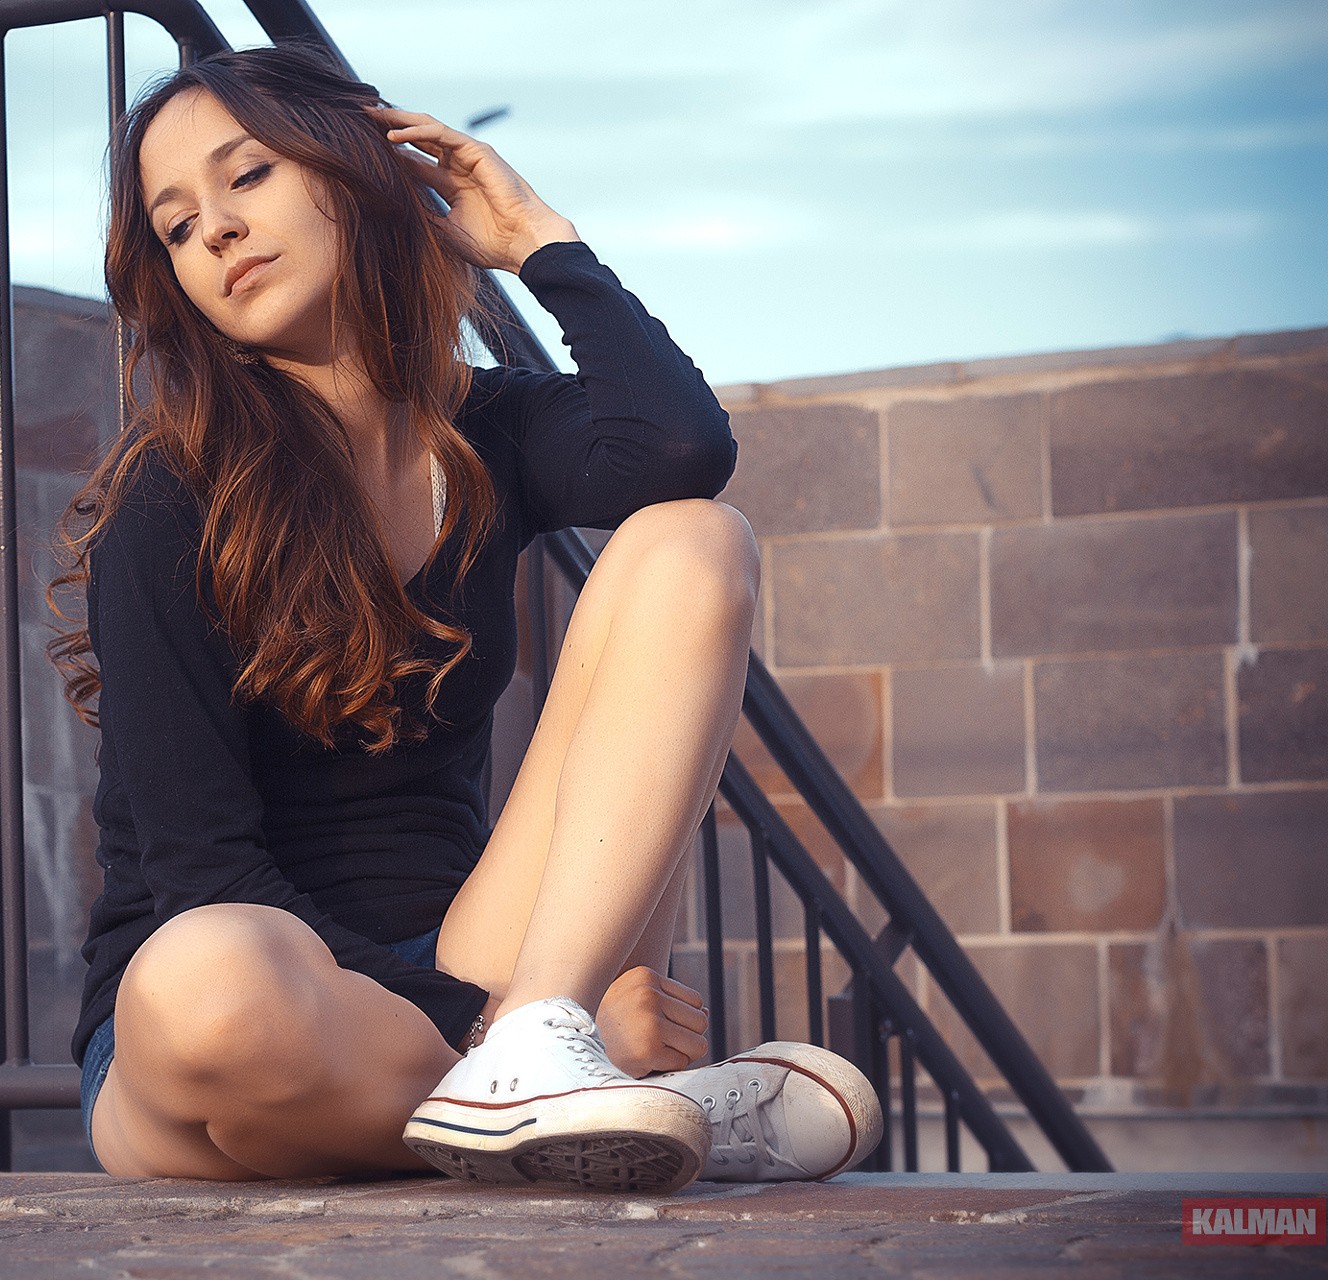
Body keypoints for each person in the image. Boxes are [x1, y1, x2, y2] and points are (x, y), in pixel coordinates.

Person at [44, 40, 879, 1193]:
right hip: (259, 1015)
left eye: (246, 177)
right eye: (177, 226)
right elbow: (200, 874)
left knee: (690, 539)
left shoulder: (489, 430)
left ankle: (546, 1073)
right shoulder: (171, 496)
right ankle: (595, 1097)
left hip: (485, 968)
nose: (217, 231)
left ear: (354, 170)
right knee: (204, 976)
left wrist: (535, 236)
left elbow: (681, 448)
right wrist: (482, 1023)